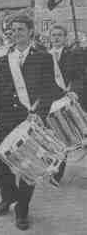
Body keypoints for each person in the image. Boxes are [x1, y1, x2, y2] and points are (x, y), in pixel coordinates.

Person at [0, 15, 57, 230]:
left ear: (30, 31)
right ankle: (8, 197)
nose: (16, 33)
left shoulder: (43, 57)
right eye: (13, 30)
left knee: (28, 166)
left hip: (31, 119)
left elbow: (49, 89)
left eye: (20, 29)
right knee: (1, 162)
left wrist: (40, 112)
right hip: (8, 118)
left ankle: (22, 209)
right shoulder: (4, 59)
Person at [48, 24, 85, 182]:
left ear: (65, 38)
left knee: (72, 136)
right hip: (51, 103)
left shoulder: (73, 55)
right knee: (56, 137)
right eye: (54, 35)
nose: (56, 38)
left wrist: (75, 91)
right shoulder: (44, 55)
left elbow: (81, 76)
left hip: (69, 101)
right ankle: (56, 171)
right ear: (50, 38)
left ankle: (57, 173)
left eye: (59, 35)